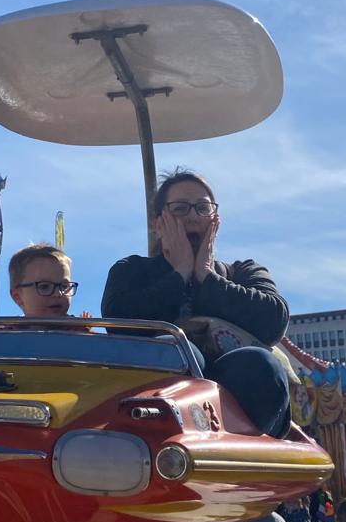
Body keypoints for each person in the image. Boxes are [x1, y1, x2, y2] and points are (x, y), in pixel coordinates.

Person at [101, 168, 290, 437]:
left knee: (259, 363)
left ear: (216, 220)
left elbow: (274, 321)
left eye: (202, 208)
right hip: (158, 412)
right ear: (157, 223)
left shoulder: (244, 272)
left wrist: (206, 276)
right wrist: (179, 274)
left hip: (240, 400)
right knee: (177, 351)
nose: (192, 217)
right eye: (180, 209)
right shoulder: (130, 270)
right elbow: (118, 321)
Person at [9, 243, 79, 318]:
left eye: (64, 286)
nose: (58, 293)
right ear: (18, 297)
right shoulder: (9, 326)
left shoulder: (79, 325)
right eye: (44, 286)